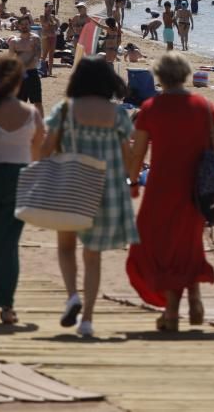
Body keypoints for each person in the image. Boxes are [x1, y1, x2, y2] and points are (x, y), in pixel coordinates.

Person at [126, 53, 214, 333]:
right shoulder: (203, 105)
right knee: (187, 242)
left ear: (159, 76)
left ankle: (171, 313)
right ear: (185, 74)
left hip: (162, 186)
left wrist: (133, 181)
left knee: (158, 246)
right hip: (195, 186)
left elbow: (138, 151)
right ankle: (194, 298)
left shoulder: (151, 108)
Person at [40, 57, 136, 337]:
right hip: (105, 190)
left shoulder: (66, 110)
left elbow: (45, 149)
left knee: (66, 247)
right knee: (93, 257)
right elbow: (128, 156)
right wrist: (130, 180)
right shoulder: (118, 115)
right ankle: (88, 321)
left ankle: (72, 296)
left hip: (71, 186)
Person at [0, 56, 44, 326]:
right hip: (19, 179)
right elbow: (37, 152)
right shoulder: (30, 113)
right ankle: (6, 306)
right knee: (7, 244)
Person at [8, 16, 43, 115]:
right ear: (18, 26)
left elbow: (37, 56)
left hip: (32, 73)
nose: (24, 26)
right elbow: (10, 59)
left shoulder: (35, 39)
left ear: (30, 25)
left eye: (26, 24)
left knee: (37, 102)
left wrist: (24, 65)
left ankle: (41, 128)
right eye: (22, 24)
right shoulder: (14, 41)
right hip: (19, 75)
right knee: (18, 102)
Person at [40, 2, 59, 75]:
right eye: (49, 7)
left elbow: (57, 26)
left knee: (51, 54)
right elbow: (46, 24)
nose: (50, 8)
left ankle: (50, 71)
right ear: (45, 7)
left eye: (51, 7)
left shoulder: (52, 16)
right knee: (44, 54)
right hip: (46, 36)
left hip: (53, 36)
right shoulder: (42, 16)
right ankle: (41, 69)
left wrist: (55, 23)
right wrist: (52, 21)